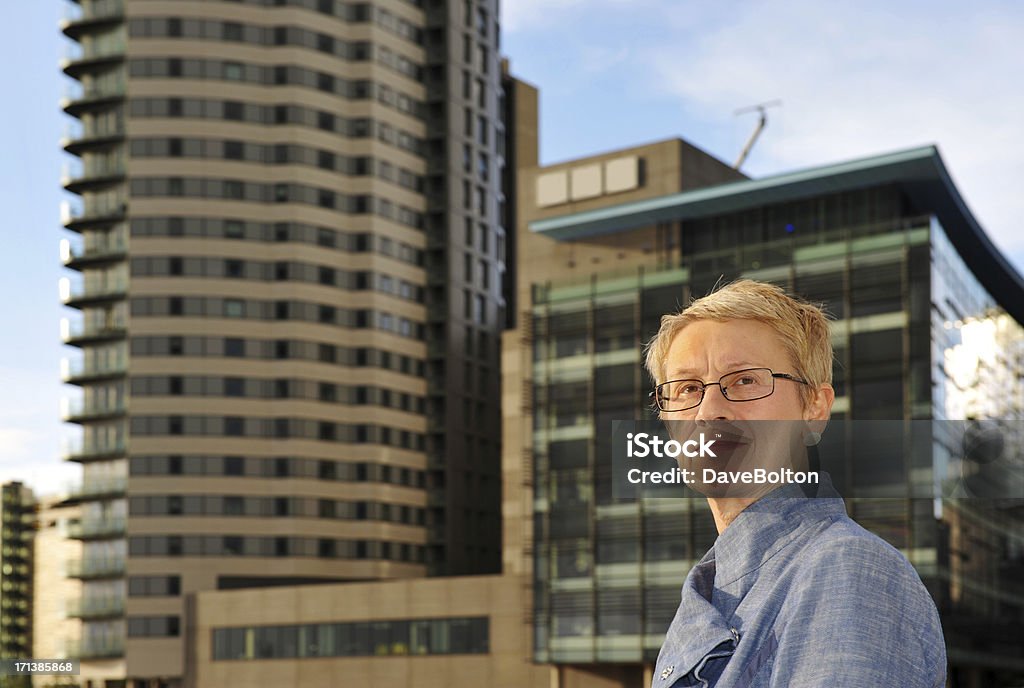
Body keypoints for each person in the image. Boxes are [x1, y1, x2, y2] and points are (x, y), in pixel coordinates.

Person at [643, 279, 945, 688]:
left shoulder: (846, 570)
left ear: (814, 408)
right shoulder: (710, 590)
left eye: (745, 380)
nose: (708, 410)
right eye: (687, 388)